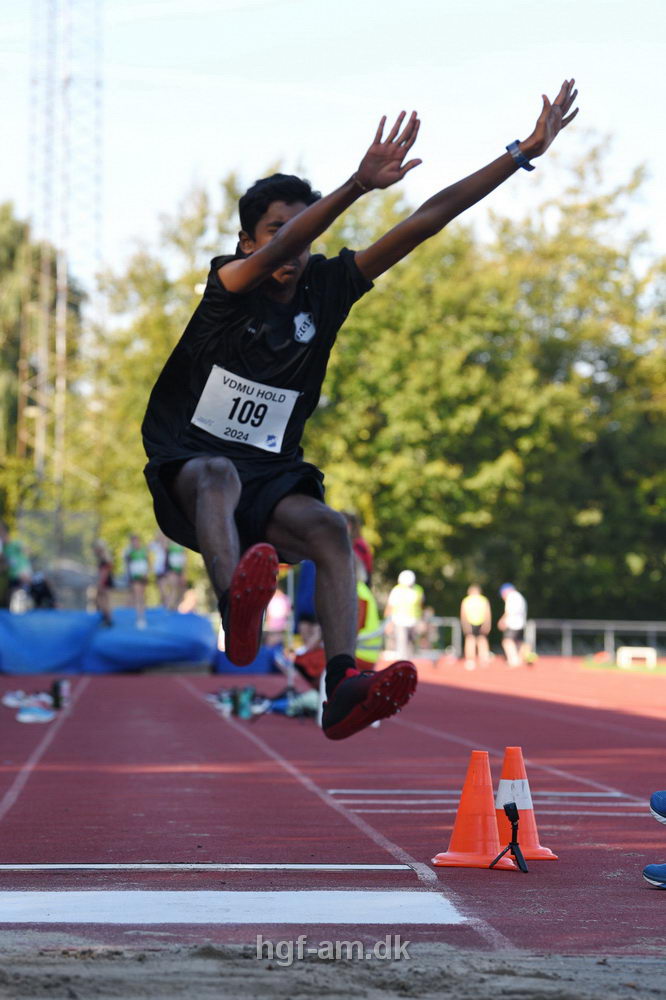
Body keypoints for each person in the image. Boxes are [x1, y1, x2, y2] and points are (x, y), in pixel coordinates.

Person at [141, 81, 579, 740]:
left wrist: (521, 154)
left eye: (301, 234)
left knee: (328, 528)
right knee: (217, 475)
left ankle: (342, 684)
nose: (291, 247)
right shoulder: (229, 287)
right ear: (245, 241)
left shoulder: (329, 287)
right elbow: (284, 245)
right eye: (274, 233)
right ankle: (238, 606)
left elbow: (427, 219)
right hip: (190, 467)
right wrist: (354, 185)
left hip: (270, 474)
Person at [384, 570, 425, 660]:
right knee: (402, 644)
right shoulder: (397, 590)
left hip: (413, 621)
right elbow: (390, 606)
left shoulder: (418, 590)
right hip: (400, 621)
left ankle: (408, 662)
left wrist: (421, 620)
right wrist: (388, 622)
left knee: (411, 644)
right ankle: (402, 662)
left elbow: (420, 606)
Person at [460, 584, 492, 670]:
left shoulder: (466, 600)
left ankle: (471, 660)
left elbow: (463, 614)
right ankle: (483, 659)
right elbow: (487, 613)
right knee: (481, 640)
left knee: (471, 641)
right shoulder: (483, 600)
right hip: (480, 621)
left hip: (471, 622)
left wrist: (465, 625)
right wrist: (487, 624)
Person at [498, 582, 528, 668]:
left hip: (513, 624)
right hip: (521, 623)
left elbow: (509, 611)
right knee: (518, 642)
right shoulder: (520, 597)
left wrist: (503, 620)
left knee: (507, 641)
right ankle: (521, 658)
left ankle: (514, 660)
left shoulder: (511, 597)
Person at [123, 534, 149, 629]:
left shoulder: (144, 551)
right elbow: (127, 566)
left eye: (136, 541)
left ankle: (141, 615)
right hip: (134, 577)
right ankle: (139, 618)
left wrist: (146, 574)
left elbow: (147, 563)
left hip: (142, 577)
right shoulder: (129, 553)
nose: (135, 543)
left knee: (142, 597)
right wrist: (128, 578)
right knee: (138, 597)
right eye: (133, 541)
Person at [93, 539, 114, 626]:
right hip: (105, 579)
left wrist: (101, 582)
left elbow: (105, 570)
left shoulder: (104, 557)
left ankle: (107, 618)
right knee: (102, 598)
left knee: (102, 599)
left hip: (105, 580)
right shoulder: (104, 556)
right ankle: (106, 617)